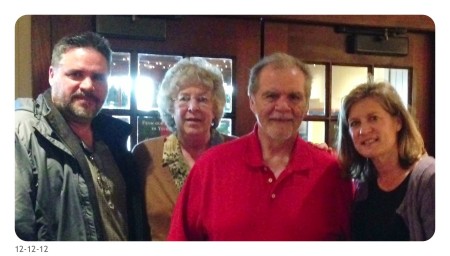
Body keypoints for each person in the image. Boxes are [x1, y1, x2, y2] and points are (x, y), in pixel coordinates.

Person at [167, 52, 353, 241]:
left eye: (294, 97)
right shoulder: (210, 167)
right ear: (252, 102)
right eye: (271, 96)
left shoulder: (332, 173)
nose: (282, 106)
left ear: (305, 105)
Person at [15, 31, 148, 241]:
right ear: (52, 75)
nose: (88, 85)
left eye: (98, 77)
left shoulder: (113, 140)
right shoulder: (21, 132)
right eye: (76, 74)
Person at [132, 57, 236, 241]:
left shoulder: (236, 153)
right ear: (171, 108)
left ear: (215, 108)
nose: (193, 107)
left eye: (203, 99)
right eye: (184, 99)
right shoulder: (145, 154)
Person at [336, 82, 435, 241]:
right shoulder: (363, 183)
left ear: (398, 122)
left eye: (373, 118)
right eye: (355, 123)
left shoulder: (430, 178)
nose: (364, 130)